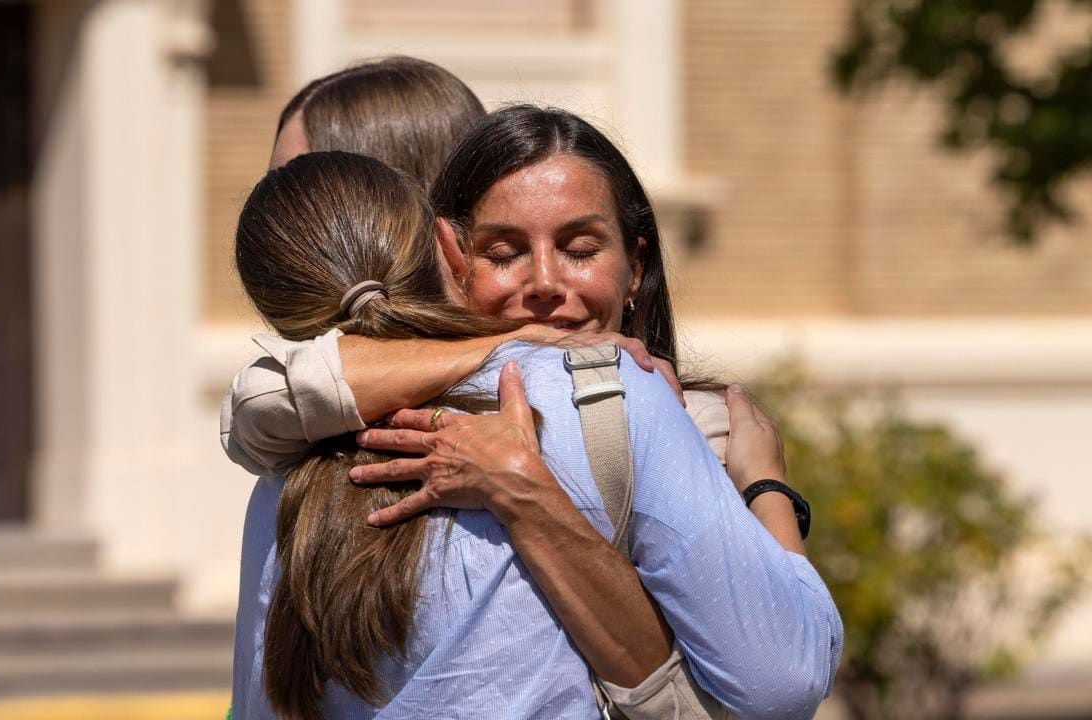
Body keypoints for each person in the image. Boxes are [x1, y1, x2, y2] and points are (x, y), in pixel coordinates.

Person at [236, 150, 840, 720]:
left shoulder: (282, 466)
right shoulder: (615, 397)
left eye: (579, 248)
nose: (546, 283)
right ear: (452, 252)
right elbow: (784, 679)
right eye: (503, 253)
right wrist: (767, 486)